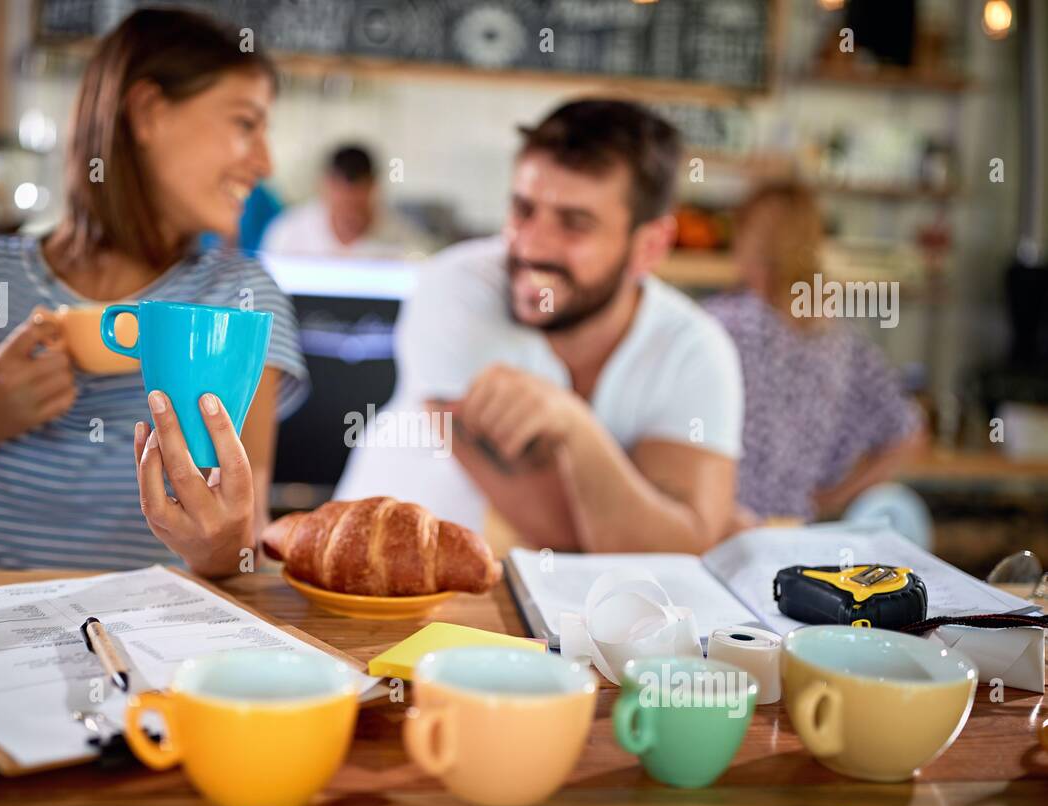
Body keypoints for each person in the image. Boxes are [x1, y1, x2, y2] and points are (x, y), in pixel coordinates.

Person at [0, 8, 308, 576]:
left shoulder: (240, 301)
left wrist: (217, 541)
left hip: (134, 657)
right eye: (245, 123)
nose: (264, 162)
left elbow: (244, 554)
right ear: (146, 113)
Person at [336, 100, 744, 554]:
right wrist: (666, 516)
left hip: (548, 616)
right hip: (370, 587)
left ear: (649, 247)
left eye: (575, 224)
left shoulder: (696, 348)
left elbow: (680, 551)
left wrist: (573, 425)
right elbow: (573, 537)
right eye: (523, 210)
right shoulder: (456, 290)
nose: (532, 246)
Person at [705, 182, 926, 522]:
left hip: (719, 529)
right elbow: (908, 433)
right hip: (797, 534)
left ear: (751, 243)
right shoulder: (840, 339)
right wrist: (834, 500)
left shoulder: (719, 325)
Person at [261, 144, 434, 259]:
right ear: (325, 186)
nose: (349, 215)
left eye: (356, 206)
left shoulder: (404, 241)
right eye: (342, 205)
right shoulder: (288, 233)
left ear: (374, 188)